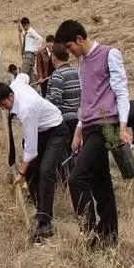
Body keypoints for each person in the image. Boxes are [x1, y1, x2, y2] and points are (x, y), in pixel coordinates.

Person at [54, 19, 132, 249]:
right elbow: (86, 100)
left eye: (70, 47)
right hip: (89, 127)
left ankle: (91, 236)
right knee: (101, 183)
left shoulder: (110, 54)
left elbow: (121, 92)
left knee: (77, 179)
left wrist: (123, 126)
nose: (70, 52)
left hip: (107, 126)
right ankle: (109, 237)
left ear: (79, 38)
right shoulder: (83, 64)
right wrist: (79, 131)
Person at [0, 82, 72, 243]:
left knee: (46, 171)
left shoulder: (26, 109)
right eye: (1, 106)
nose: (4, 108)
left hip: (56, 131)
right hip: (40, 130)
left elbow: (31, 150)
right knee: (32, 171)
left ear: (11, 96)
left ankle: (45, 222)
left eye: (4, 104)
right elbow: (23, 76)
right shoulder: (15, 85)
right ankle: (40, 207)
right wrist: (26, 172)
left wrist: (21, 173)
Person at [44, 44, 81, 182]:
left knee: (62, 155)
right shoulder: (76, 72)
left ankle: (65, 182)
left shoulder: (58, 75)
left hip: (62, 120)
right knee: (74, 152)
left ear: (54, 57)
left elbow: (54, 101)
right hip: (77, 119)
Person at [18, 17, 43, 86]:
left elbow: (40, 38)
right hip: (29, 56)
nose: (24, 27)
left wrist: (37, 49)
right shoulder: (27, 32)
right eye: (23, 26)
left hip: (29, 55)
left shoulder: (31, 31)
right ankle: (34, 88)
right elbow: (22, 32)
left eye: (25, 25)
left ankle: (19, 87)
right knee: (31, 75)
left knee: (22, 74)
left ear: (28, 24)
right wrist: (19, 24)